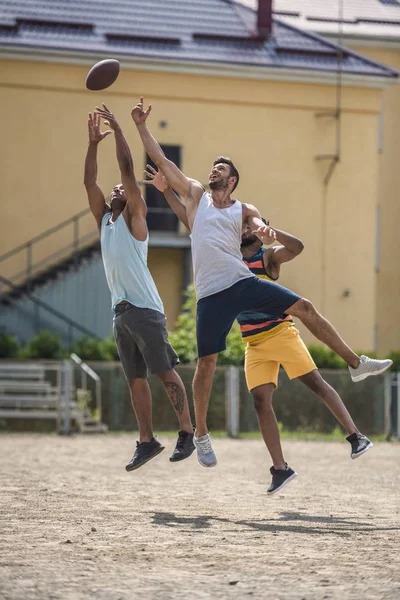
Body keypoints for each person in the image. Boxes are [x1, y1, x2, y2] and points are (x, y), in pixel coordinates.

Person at [132, 97, 392, 469]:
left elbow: (256, 223)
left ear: (232, 179)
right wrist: (142, 126)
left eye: (219, 169)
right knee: (207, 365)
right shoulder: (195, 198)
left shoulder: (243, 208)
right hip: (210, 294)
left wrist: (263, 229)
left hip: (240, 282)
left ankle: (355, 363)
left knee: (303, 307)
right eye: (212, 167)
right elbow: (162, 161)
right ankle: (201, 435)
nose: (212, 171)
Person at [83, 105, 195, 471]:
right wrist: (92, 143)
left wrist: (118, 130)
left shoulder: (135, 222)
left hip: (145, 310)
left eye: (123, 190)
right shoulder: (105, 221)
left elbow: (128, 171)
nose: (117, 188)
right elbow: (89, 182)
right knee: (135, 380)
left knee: (164, 372)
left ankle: (187, 431)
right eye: (114, 189)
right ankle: (146, 441)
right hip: (121, 313)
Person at [239, 224, 374, 495]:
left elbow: (297, 248)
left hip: (281, 334)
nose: (243, 227)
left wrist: (273, 232)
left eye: (248, 224)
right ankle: (280, 469)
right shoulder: (231, 260)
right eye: (241, 223)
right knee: (260, 402)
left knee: (316, 384)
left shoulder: (267, 257)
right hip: (253, 343)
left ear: (257, 229)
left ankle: (356, 436)